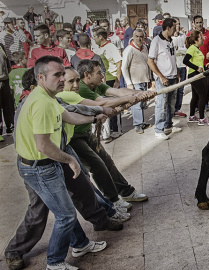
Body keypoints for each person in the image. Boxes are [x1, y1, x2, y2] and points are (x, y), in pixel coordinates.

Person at [6, 66, 128, 270]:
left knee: (82, 189)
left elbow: (69, 113)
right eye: (59, 76)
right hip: (42, 164)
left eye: (65, 76)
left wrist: (94, 117)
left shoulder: (50, 97)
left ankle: (87, 235)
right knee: (52, 212)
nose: (63, 81)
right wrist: (70, 160)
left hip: (56, 156)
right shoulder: (39, 103)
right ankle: (24, 254)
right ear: (39, 80)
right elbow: (43, 145)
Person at [72, 59, 149, 208]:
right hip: (74, 137)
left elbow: (118, 92)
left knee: (106, 162)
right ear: (87, 75)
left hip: (86, 133)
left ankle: (126, 192)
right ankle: (113, 201)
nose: (102, 76)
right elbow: (103, 103)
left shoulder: (95, 84)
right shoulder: (80, 88)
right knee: (97, 166)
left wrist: (143, 93)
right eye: (99, 72)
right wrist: (131, 98)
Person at [148, 18, 182, 141]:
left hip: (173, 76)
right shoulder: (156, 41)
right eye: (174, 27)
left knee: (171, 104)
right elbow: (150, 60)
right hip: (163, 79)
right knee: (161, 104)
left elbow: (172, 58)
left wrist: (177, 72)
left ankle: (168, 126)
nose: (176, 29)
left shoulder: (171, 40)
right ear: (168, 28)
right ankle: (159, 129)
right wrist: (161, 76)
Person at [121, 29, 152, 134]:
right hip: (135, 81)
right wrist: (129, 83)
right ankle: (137, 124)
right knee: (136, 104)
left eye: (141, 37)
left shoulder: (145, 48)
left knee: (142, 103)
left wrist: (149, 78)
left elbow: (147, 64)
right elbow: (124, 67)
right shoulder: (129, 50)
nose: (139, 39)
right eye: (137, 36)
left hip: (144, 80)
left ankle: (141, 123)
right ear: (133, 37)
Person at [183, 30, 209, 126]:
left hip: (198, 75)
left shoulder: (197, 49)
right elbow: (185, 60)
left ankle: (191, 116)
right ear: (195, 39)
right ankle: (202, 118)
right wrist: (196, 68)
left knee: (195, 96)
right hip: (194, 74)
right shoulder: (192, 48)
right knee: (202, 95)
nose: (203, 39)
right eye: (201, 37)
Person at [172, 17, 187, 118]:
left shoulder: (183, 36)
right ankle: (171, 109)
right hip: (173, 67)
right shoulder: (170, 38)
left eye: (178, 24)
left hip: (182, 65)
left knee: (181, 89)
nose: (177, 26)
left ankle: (177, 109)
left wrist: (179, 50)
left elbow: (187, 50)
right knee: (173, 89)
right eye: (175, 24)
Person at [0, 43, 13, 142]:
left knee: (8, 105)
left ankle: (10, 127)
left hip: (5, 80)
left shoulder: (1, 46)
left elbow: (7, 62)